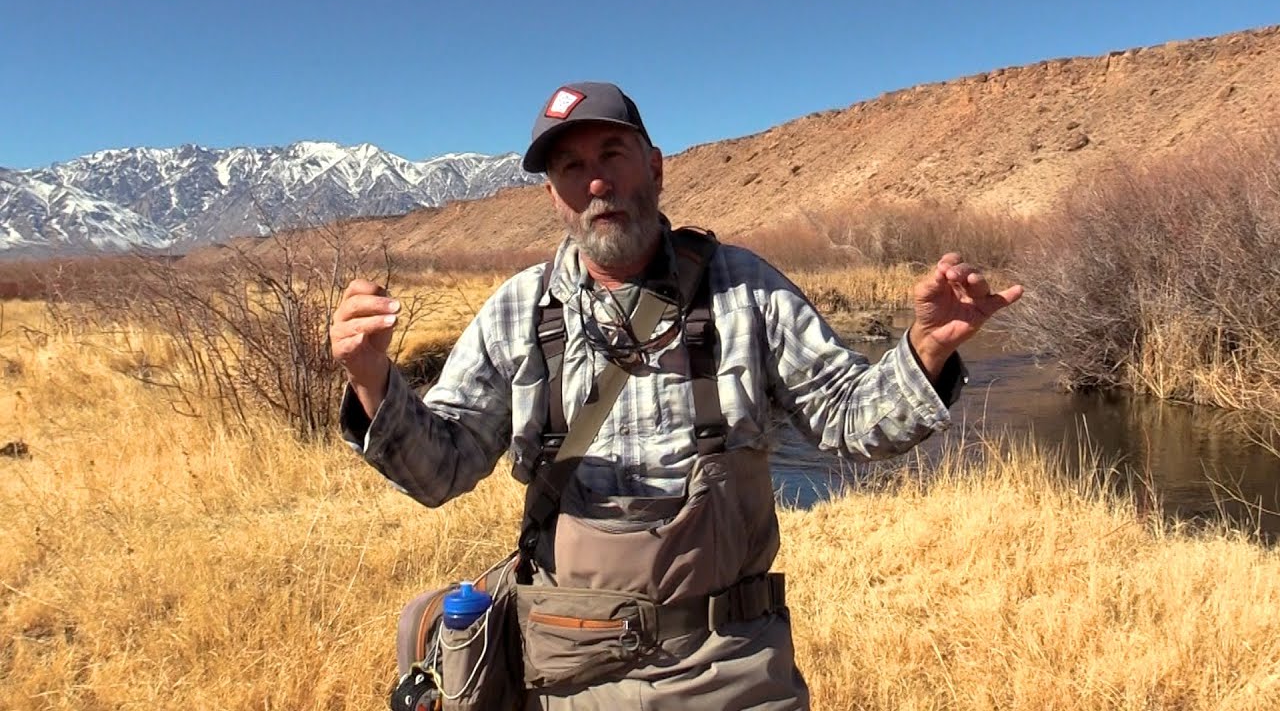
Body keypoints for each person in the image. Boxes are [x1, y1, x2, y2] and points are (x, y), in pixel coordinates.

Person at [331, 81, 1023, 710]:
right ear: (553, 196)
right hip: (571, 674)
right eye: (570, 168)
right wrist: (372, 382)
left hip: (736, 670)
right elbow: (442, 469)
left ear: (655, 167)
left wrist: (928, 351)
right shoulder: (516, 311)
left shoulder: (746, 289)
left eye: (612, 154)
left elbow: (849, 420)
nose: (596, 180)